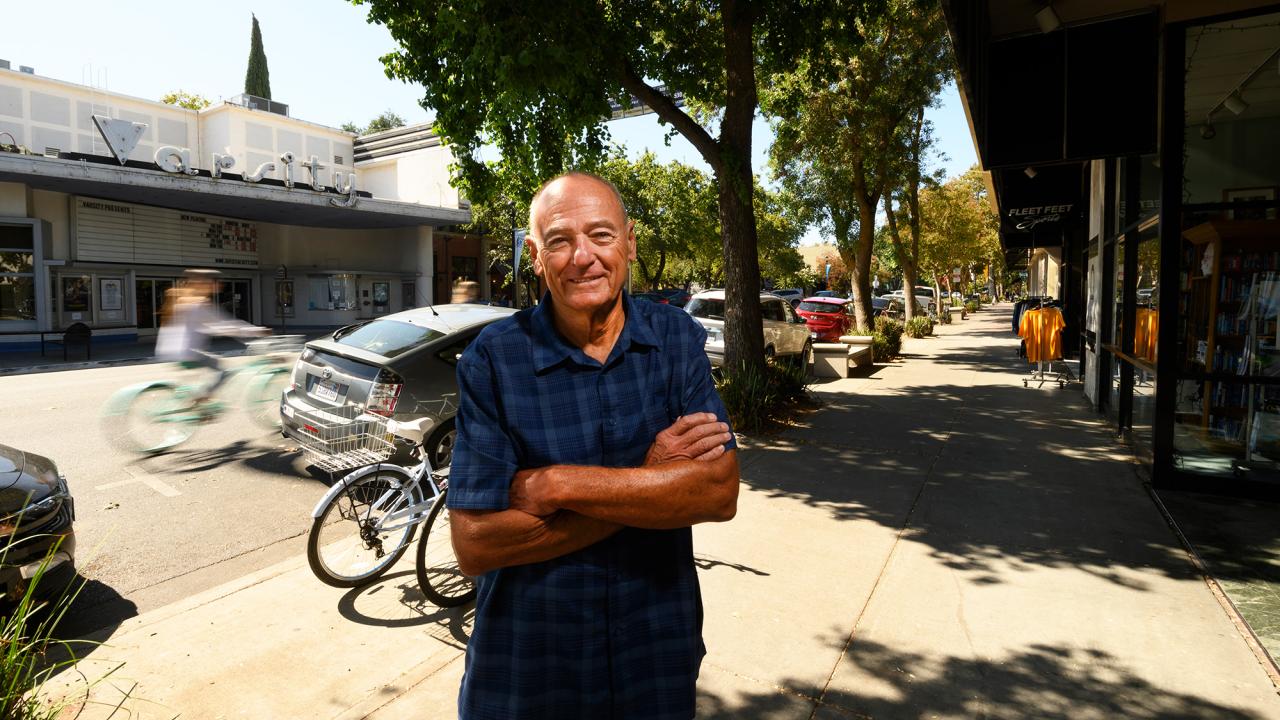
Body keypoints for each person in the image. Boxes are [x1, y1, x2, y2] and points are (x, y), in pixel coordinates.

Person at [448, 172, 739, 719]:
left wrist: (557, 484)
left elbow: (718, 493)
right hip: (529, 672)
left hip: (654, 658)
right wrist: (654, 483)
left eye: (601, 235)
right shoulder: (495, 359)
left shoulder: (675, 338)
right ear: (535, 256)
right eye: (560, 241)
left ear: (629, 241)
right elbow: (477, 544)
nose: (583, 256)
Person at [155, 269, 268, 403]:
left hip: (169, 350)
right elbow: (226, 326)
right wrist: (257, 331)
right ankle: (201, 398)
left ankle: (194, 399)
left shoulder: (181, 300)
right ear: (206, 284)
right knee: (224, 371)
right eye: (216, 282)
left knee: (200, 373)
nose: (219, 286)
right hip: (187, 353)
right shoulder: (200, 304)